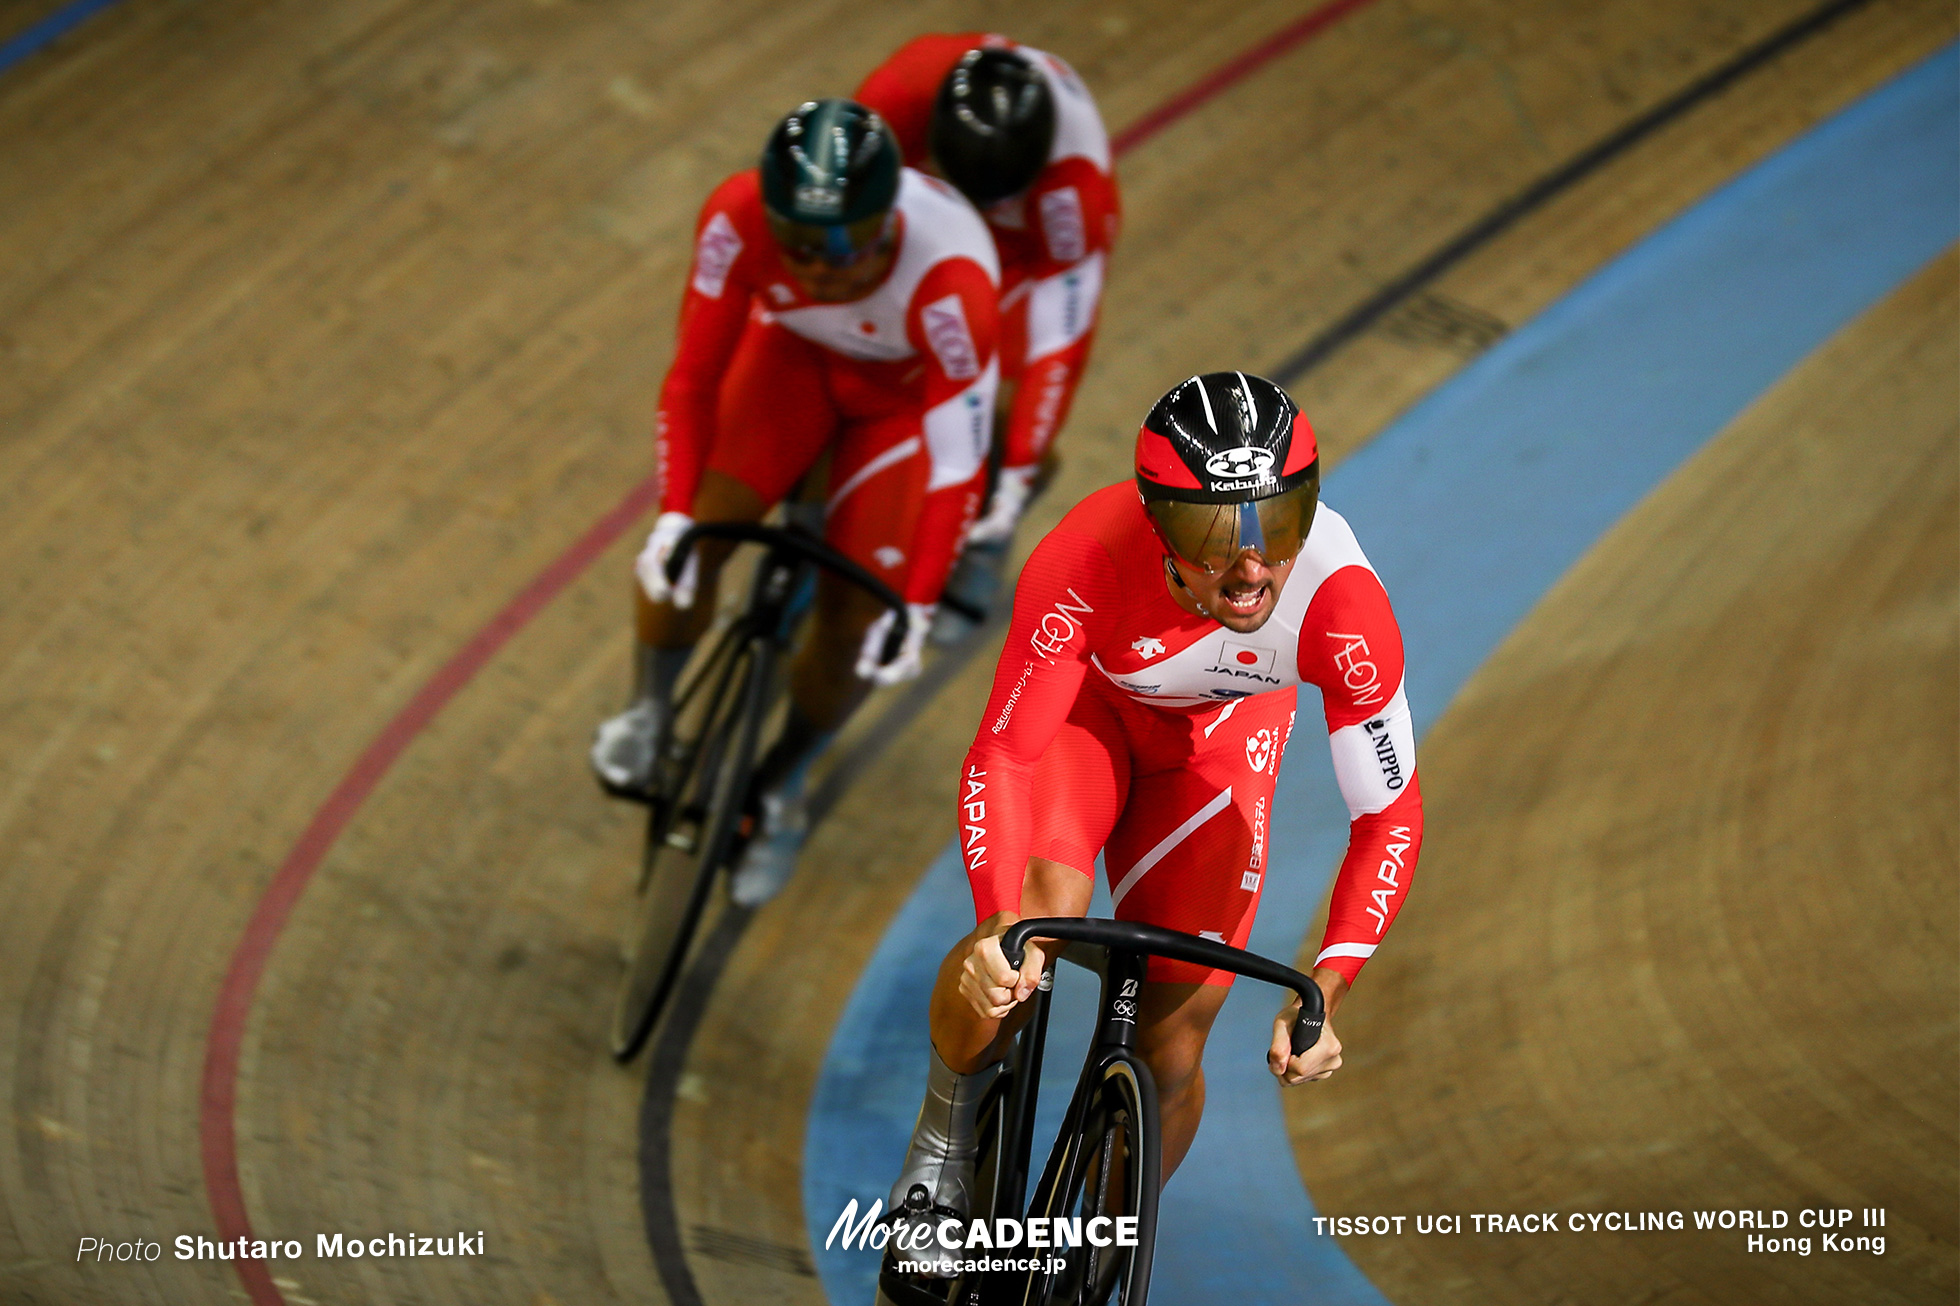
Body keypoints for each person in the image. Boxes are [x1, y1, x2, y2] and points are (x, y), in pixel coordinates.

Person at [879, 372, 1424, 1282]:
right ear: (1160, 521)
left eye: (1278, 525)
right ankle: (940, 1159)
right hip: (1088, 721)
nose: (1252, 568)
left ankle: (1094, 1256)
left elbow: (1389, 815)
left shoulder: (1343, 606)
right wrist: (993, 922)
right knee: (1029, 933)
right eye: (1217, 536)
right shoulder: (1087, 558)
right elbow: (1005, 758)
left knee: (1173, 1036)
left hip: (1218, 747)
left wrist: (1330, 985)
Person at [590, 99, 1000, 906]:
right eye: (802, 245)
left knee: (855, 621)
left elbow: (958, 464)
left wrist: (915, 605)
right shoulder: (735, 216)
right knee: (693, 544)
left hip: (896, 411)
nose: (822, 268)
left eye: (848, 242)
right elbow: (692, 379)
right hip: (790, 363)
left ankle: (784, 784)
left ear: (890, 216)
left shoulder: (953, 281)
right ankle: (647, 713)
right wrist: (675, 510)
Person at [856, 35, 1119, 631]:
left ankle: (987, 537)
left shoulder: (1072, 187)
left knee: (996, 405)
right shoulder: (899, 95)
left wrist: (1019, 461)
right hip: (917, 216)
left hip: (1023, 252)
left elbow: (1061, 340)